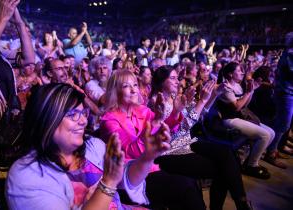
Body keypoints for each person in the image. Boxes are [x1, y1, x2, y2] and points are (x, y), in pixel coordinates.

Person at [6, 83, 172, 209]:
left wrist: (147, 157)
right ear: (46, 119)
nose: (84, 120)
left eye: (83, 113)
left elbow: (125, 179)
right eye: (72, 114)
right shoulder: (27, 174)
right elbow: (112, 180)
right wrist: (107, 183)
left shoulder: (93, 146)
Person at [100, 70, 209, 210]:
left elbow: (167, 132)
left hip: (152, 167)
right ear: (115, 91)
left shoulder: (142, 110)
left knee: (190, 185)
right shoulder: (109, 120)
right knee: (185, 186)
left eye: (135, 85)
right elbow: (131, 152)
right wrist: (156, 121)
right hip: (130, 178)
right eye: (126, 86)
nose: (134, 90)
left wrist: (176, 112)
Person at [149, 65, 253, 210]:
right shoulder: (156, 102)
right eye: (172, 78)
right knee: (223, 170)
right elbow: (181, 128)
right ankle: (234, 205)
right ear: (161, 82)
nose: (177, 81)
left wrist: (214, 94)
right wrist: (202, 101)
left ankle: (242, 202)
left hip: (186, 142)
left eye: (177, 78)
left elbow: (199, 115)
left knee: (227, 153)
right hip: (170, 150)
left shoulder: (174, 97)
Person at [0, 1, 35, 209]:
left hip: (10, 129)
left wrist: (18, 22)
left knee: (11, 185)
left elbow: (29, 59)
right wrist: (2, 17)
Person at [217, 62, 276, 177]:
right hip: (228, 119)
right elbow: (237, 107)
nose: (242, 72)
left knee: (272, 133)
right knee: (265, 135)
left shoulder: (238, 86)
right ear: (230, 74)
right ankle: (251, 165)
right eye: (239, 71)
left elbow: (244, 106)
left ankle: (251, 161)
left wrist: (252, 90)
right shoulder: (226, 87)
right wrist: (248, 92)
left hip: (238, 117)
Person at [265, 32, 293, 158]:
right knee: (283, 123)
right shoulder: (289, 55)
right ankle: (271, 152)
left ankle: (274, 148)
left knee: (282, 122)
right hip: (285, 93)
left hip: (288, 92)